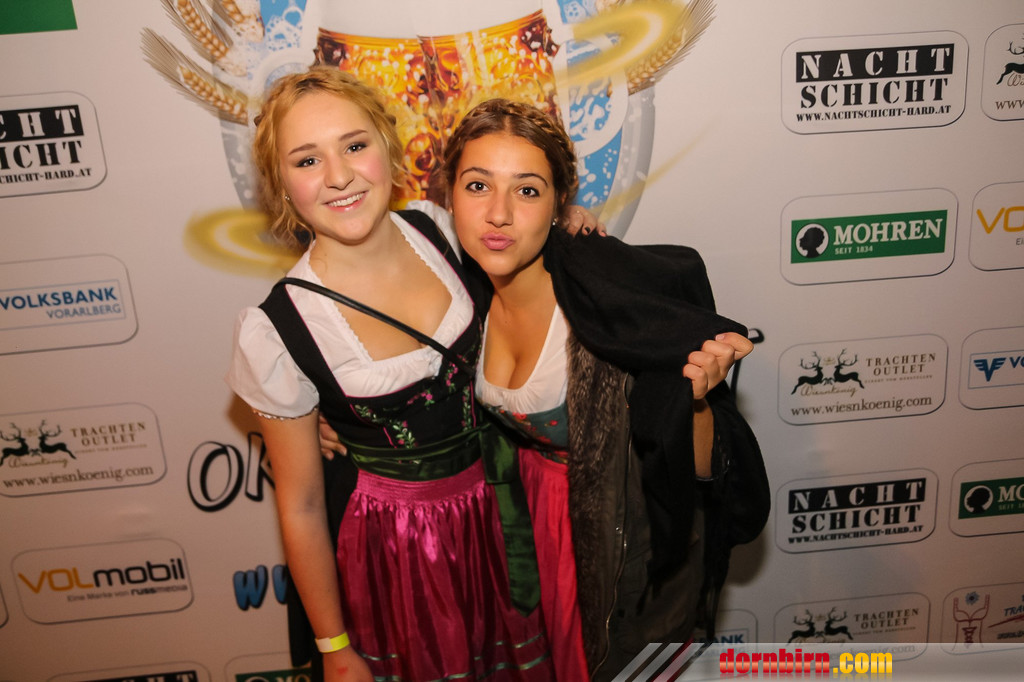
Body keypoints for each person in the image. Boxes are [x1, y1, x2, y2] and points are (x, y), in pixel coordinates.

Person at [226, 67, 575, 681]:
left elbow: (526, 240)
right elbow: (302, 504)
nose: (338, 176)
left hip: (508, 517)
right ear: (280, 184)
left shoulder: (442, 229)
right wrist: (334, 648)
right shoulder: (280, 329)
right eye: (307, 160)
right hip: (401, 556)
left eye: (354, 146)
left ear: (388, 148)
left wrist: (574, 225)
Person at [438, 98, 767, 681]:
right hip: (520, 531)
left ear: (559, 204)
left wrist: (694, 401)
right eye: (478, 185)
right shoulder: (457, 286)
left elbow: (700, 478)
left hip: (615, 536)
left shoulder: (606, 304)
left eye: (527, 190)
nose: (498, 213)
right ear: (449, 196)